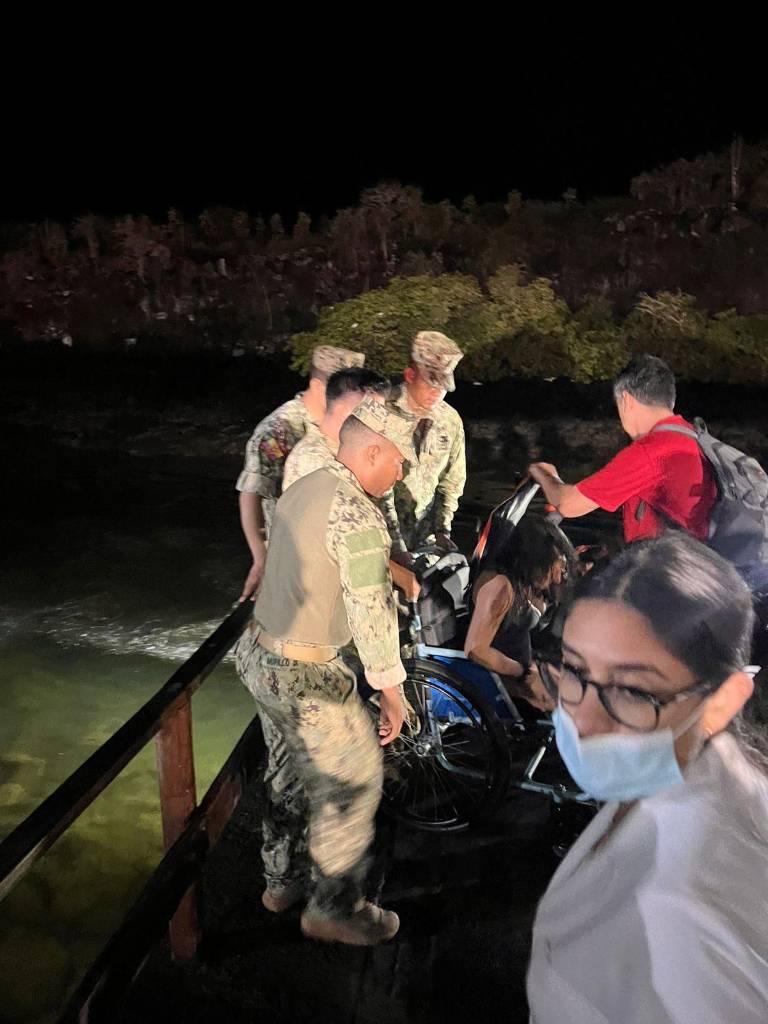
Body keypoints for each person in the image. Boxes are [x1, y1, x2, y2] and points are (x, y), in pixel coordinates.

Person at [527, 531, 768, 1023]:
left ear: (721, 701)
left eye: (635, 690)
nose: (585, 720)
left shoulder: (685, 917)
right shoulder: (679, 774)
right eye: (573, 669)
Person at [235, 396, 417, 946]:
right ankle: (333, 908)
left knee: (286, 773)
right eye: (400, 461)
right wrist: (392, 690)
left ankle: (278, 881)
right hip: (306, 675)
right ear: (374, 450)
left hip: (259, 657)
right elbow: (370, 610)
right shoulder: (360, 514)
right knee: (354, 782)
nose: (402, 471)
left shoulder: (306, 486)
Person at [528, 354, 716, 545]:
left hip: (668, 570)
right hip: (700, 565)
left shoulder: (653, 451)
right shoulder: (695, 438)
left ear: (626, 400)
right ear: (670, 400)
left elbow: (568, 503)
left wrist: (543, 474)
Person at [236, 345, 365, 601]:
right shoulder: (280, 429)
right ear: (318, 386)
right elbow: (251, 493)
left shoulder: (344, 421)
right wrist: (261, 557)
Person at [283, 366, 420, 602]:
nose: (376, 419)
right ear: (343, 408)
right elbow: (340, 543)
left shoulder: (358, 455)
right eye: (369, 410)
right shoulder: (312, 462)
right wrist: (400, 576)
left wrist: (399, 553)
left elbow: (386, 510)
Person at [464, 516, 570, 711]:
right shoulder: (499, 586)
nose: (558, 576)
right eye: (554, 567)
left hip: (523, 675)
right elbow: (476, 650)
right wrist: (522, 673)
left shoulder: (523, 585)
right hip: (503, 686)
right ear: (535, 559)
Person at [384, 331, 466, 561]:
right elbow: (378, 491)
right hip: (379, 541)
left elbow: (451, 482)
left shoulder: (450, 421)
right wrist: (397, 549)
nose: (436, 392)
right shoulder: (380, 413)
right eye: (430, 383)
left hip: (424, 545)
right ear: (410, 374)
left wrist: (442, 530)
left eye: (442, 386)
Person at [282, 366, 389, 490]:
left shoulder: (349, 452)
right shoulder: (314, 462)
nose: (378, 423)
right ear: (340, 410)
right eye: (369, 413)